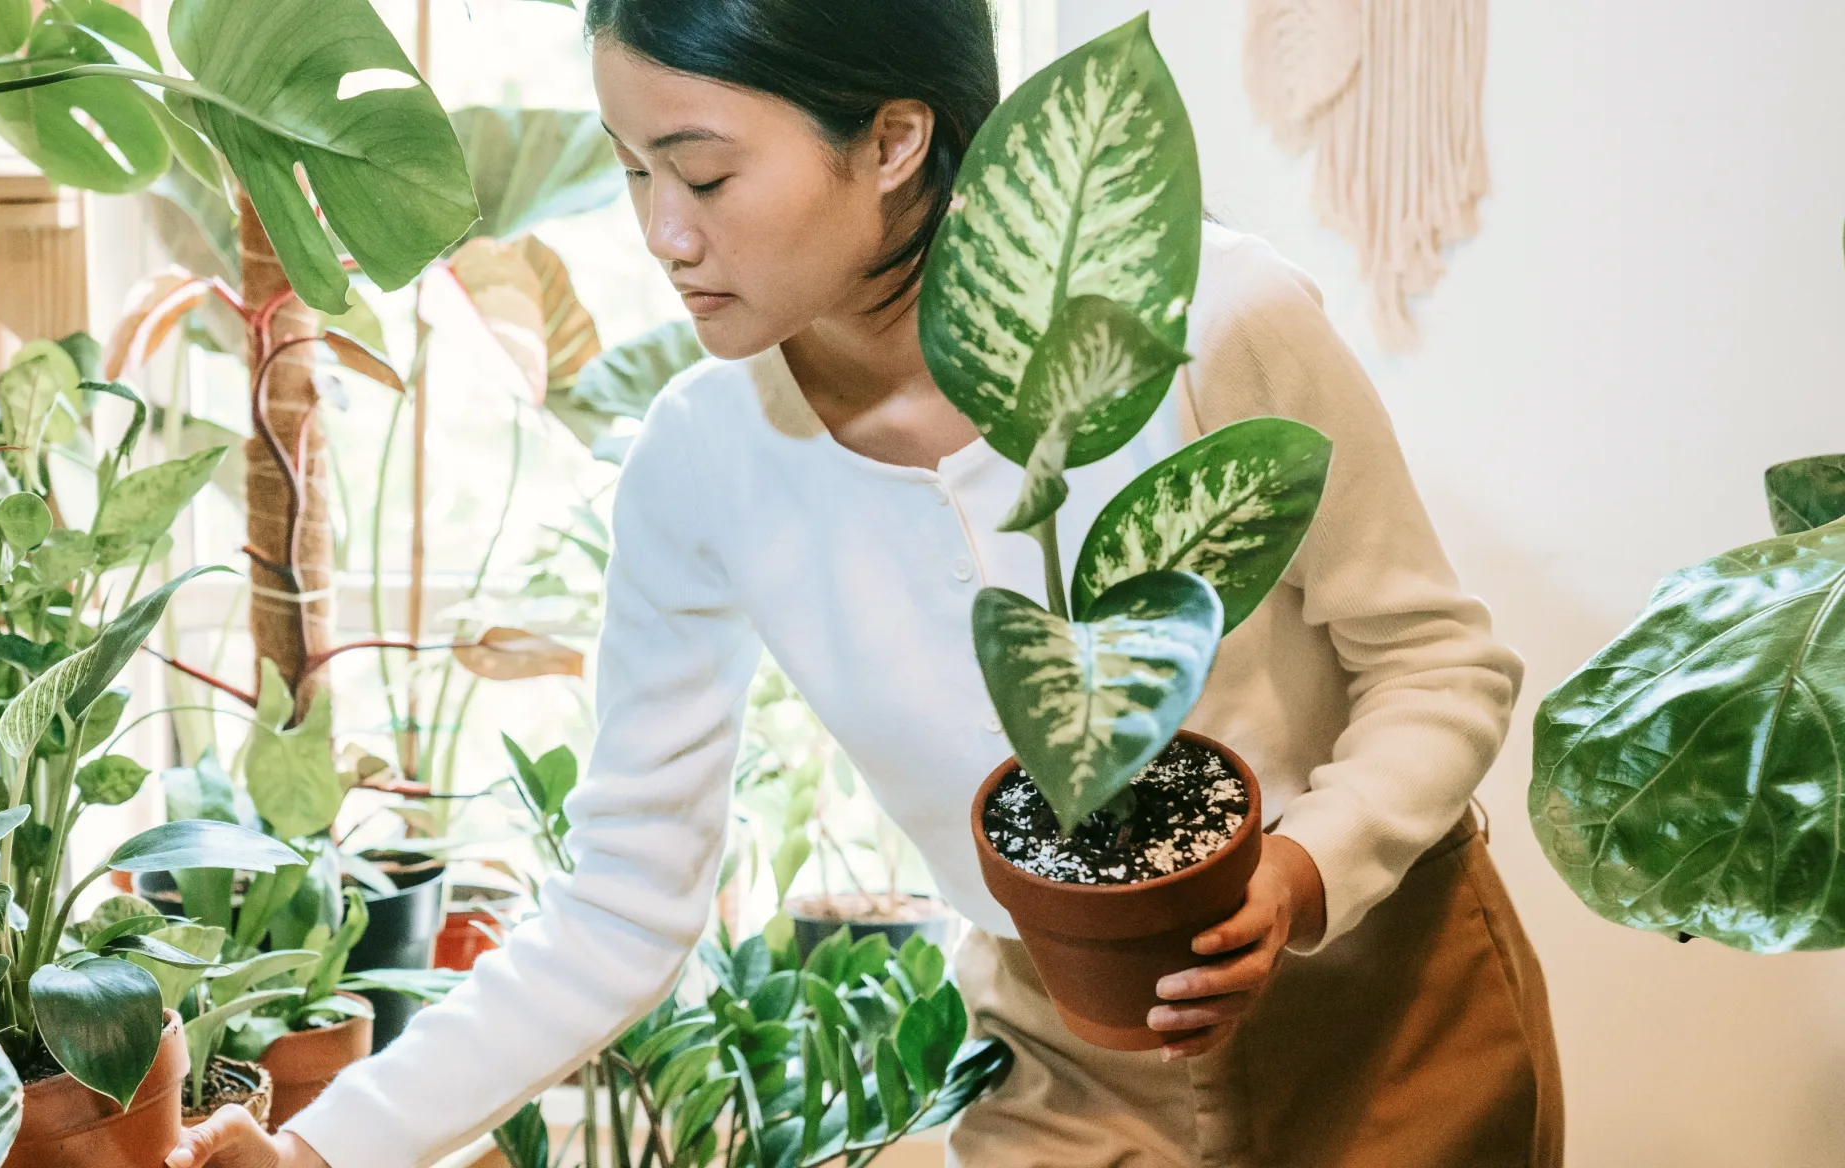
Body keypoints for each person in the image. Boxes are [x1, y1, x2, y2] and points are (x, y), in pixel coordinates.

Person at [171, 1, 1562, 1164]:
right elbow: (620, 907)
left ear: (893, 139)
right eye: (634, 171)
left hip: (1393, 1027)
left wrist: (1304, 877)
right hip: (1068, 1075)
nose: (662, 233)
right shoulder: (702, 464)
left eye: (703, 175)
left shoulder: (1211, 322)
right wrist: (316, 1149)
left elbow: (1437, 664)